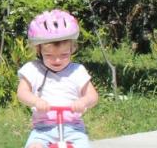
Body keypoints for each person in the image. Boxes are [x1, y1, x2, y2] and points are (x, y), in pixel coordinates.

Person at [15, 10, 99, 148]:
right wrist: (36, 101)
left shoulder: (77, 71)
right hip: (43, 129)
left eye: (64, 54)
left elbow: (93, 96)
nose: (57, 60)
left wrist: (84, 101)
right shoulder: (33, 69)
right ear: (38, 50)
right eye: (49, 55)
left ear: (72, 49)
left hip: (73, 129)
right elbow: (22, 93)